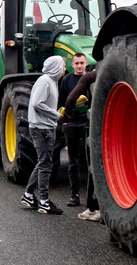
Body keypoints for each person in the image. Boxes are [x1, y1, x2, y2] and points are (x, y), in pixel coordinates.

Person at [21, 55, 66, 215]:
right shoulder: (45, 81)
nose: (64, 69)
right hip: (41, 128)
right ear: (55, 67)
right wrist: (55, 115)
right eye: (63, 65)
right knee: (46, 164)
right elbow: (36, 103)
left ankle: (28, 195)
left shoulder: (52, 82)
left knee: (43, 162)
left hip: (46, 127)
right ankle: (44, 202)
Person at [66, 70, 101, 221]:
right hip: (112, 126)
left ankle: (93, 208)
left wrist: (68, 113)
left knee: (93, 167)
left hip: (94, 126)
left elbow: (71, 97)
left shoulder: (91, 76)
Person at [58, 53, 89, 207]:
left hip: (87, 124)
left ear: (86, 63)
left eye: (81, 63)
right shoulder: (66, 80)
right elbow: (61, 101)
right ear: (72, 64)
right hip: (71, 124)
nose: (79, 66)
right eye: (76, 63)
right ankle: (74, 195)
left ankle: (92, 199)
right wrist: (64, 121)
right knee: (73, 162)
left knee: (91, 161)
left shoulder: (90, 79)